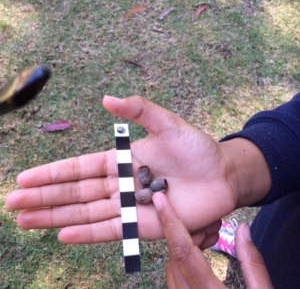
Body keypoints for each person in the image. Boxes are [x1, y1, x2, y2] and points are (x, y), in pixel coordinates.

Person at [5, 94, 300, 288]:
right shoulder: (149, 185)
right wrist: (232, 172)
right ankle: (244, 245)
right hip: (282, 235)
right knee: (263, 244)